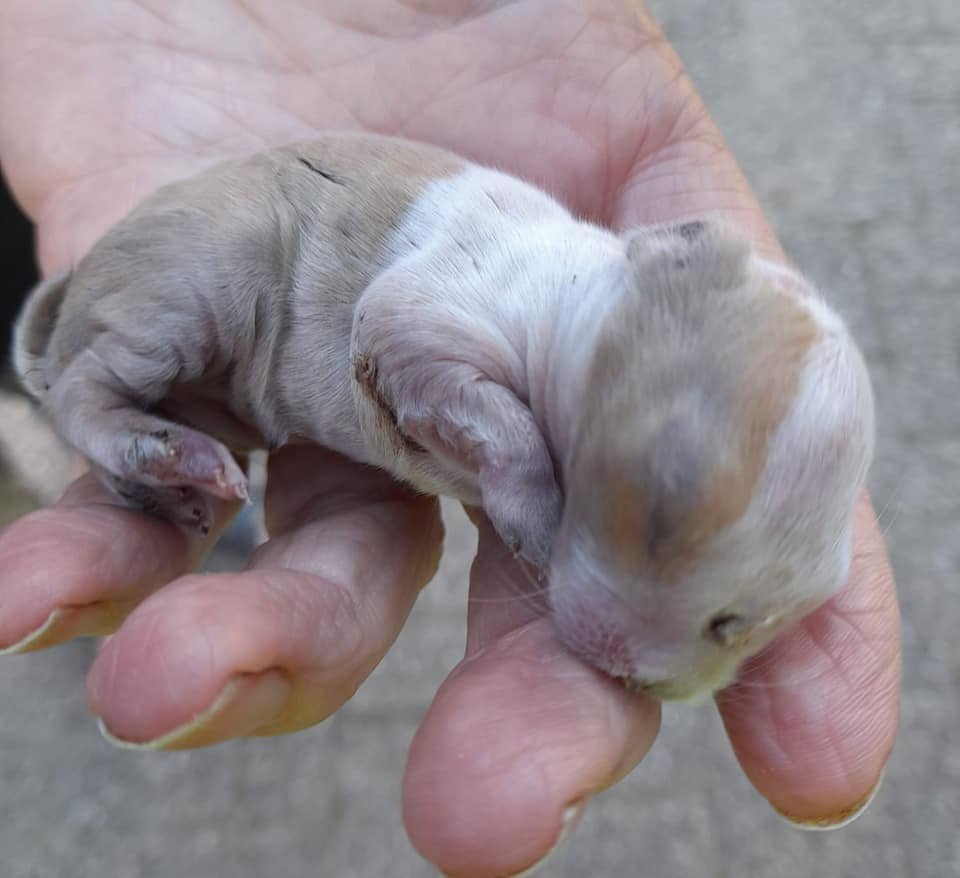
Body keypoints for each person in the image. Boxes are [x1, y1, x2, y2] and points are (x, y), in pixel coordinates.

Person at [0, 2, 900, 875]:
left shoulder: (609, 354)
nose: (663, 668)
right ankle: (92, 407)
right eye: (659, 546)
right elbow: (396, 323)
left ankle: (172, 427)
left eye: (731, 624)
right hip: (263, 244)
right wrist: (515, 472)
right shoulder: (528, 293)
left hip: (257, 374)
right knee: (204, 264)